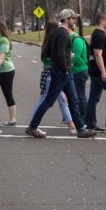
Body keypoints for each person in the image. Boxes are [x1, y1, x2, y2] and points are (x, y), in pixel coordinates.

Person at [26, 9, 96, 139]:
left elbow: (51, 52)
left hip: (64, 72)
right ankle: (32, 127)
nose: (75, 20)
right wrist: (65, 69)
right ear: (67, 19)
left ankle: (80, 129)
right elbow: (58, 55)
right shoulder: (63, 33)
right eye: (73, 18)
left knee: (74, 100)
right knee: (49, 101)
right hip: (61, 73)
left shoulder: (58, 33)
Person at [31, 21, 77, 135]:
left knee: (59, 99)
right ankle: (33, 124)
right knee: (47, 99)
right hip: (52, 74)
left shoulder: (48, 41)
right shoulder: (54, 42)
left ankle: (71, 125)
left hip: (49, 73)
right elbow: (57, 57)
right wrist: (68, 58)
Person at [68, 17, 90, 127]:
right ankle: (72, 117)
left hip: (80, 71)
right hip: (73, 71)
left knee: (80, 96)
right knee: (73, 96)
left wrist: (67, 66)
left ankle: (84, 119)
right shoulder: (68, 38)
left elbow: (75, 58)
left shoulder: (76, 39)